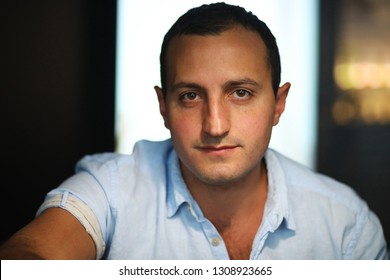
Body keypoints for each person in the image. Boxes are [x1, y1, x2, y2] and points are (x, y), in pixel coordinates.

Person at [0, 2, 387, 260]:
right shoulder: (112, 188)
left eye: (240, 93)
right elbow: (32, 256)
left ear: (279, 104)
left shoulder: (345, 225)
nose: (215, 126)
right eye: (190, 96)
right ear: (163, 107)